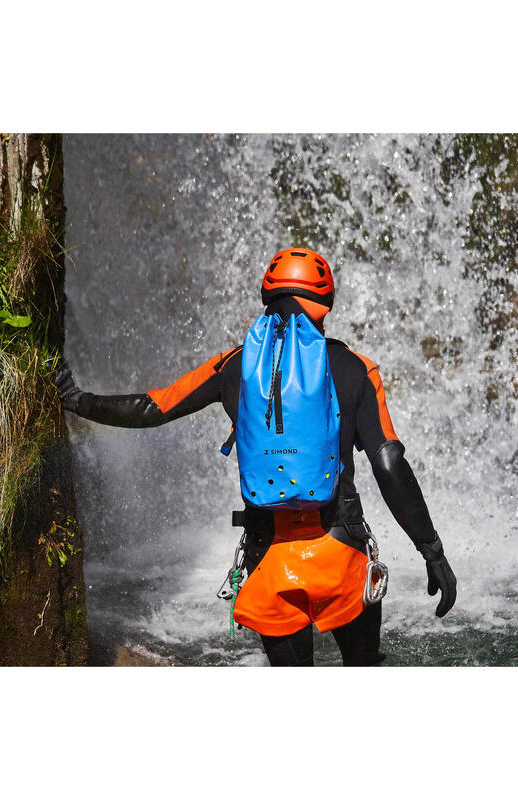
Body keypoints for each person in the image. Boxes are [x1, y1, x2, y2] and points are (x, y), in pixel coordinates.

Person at [54, 248, 456, 666]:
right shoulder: (357, 368)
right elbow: (388, 463)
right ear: (325, 302)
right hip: (341, 553)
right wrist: (432, 551)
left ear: (268, 295)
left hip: (269, 557)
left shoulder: (236, 364)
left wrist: (77, 400)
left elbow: (154, 408)